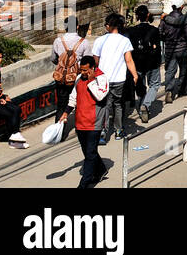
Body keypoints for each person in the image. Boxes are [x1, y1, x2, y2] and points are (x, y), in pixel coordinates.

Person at [62, 56, 109, 187]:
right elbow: (73, 97)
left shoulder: (102, 79)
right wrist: (66, 112)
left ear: (93, 68)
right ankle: (101, 169)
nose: (82, 73)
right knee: (89, 151)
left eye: (85, 70)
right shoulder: (78, 79)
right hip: (80, 122)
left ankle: (84, 184)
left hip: (94, 123)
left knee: (89, 154)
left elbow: (100, 96)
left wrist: (91, 80)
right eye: (81, 70)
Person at [92, 13, 137, 144]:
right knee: (118, 105)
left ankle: (102, 132)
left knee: (104, 106)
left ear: (108, 25)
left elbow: (96, 60)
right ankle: (118, 130)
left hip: (103, 79)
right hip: (119, 79)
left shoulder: (99, 40)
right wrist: (134, 75)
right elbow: (129, 60)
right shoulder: (124, 41)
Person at [51, 19, 91, 126]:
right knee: (79, 103)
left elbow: (53, 59)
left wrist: (63, 66)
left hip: (61, 78)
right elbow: (88, 61)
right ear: (77, 26)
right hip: (77, 78)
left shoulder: (58, 41)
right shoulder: (84, 42)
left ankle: (59, 133)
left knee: (61, 105)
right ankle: (81, 128)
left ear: (65, 27)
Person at [127, 5, 161, 122]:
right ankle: (145, 105)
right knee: (155, 84)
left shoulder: (131, 31)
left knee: (140, 87)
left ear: (137, 16)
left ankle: (142, 108)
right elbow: (159, 48)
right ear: (148, 15)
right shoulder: (154, 30)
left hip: (137, 63)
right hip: (152, 62)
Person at [160, 0, 187, 102]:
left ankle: (169, 90)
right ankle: (182, 89)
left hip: (169, 48)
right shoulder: (185, 19)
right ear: (182, 7)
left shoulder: (165, 19)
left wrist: (166, 39)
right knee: (183, 69)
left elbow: (160, 33)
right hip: (182, 49)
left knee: (170, 71)